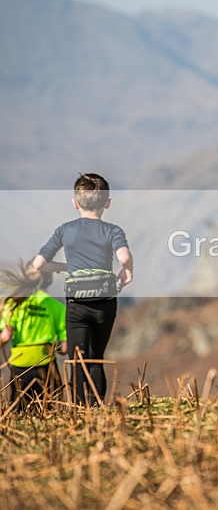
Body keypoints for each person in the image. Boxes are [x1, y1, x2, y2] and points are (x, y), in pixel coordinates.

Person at [33, 173, 133, 406]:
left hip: (77, 304)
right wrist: (128, 269)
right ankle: (97, 409)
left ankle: (79, 410)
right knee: (96, 358)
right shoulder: (113, 231)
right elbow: (124, 257)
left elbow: (39, 264)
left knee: (77, 359)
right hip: (105, 302)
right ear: (107, 202)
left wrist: (67, 268)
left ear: (75, 202)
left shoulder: (64, 230)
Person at [0, 260, 67, 410]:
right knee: (46, 410)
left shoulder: (11, 304)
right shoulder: (57, 307)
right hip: (46, 365)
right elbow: (64, 348)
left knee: (19, 411)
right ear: (48, 279)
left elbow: (5, 337)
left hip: (19, 364)